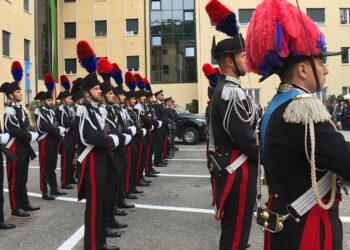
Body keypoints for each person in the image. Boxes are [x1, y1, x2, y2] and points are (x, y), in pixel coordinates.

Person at [245, 0, 350, 249]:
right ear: (303, 69)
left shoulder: (278, 104)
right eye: (321, 62)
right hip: (307, 227)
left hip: (287, 220)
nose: (326, 70)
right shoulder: (302, 108)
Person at [206, 1, 259, 249]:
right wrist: (270, 157)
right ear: (229, 61)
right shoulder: (229, 92)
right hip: (238, 170)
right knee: (236, 234)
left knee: (237, 232)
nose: (246, 61)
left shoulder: (231, 89)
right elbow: (245, 138)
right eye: (242, 55)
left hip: (237, 167)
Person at [76, 40, 120, 250]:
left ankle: (100, 242)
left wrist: (111, 137)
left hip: (103, 160)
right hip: (93, 161)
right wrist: (110, 140)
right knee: (94, 207)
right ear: (86, 93)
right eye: (95, 88)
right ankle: (92, 246)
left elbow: (106, 130)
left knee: (102, 204)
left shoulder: (96, 110)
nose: (99, 91)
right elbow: (88, 136)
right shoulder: (84, 111)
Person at [0, 61, 39, 217]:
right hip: (14, 147)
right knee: (15, 179)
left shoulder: (20, 108)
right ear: (11, 95)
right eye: (18, 92)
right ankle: (16, 207)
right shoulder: (9, 110)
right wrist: (29, 135)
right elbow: (14, 130)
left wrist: (31, 131)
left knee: (23, 177)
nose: (21, 94)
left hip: (23, 147)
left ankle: (25, 203)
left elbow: (25, 124)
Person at [35, 74, 67, 200]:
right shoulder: (39, 112)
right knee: (45, 167)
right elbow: (46, 126)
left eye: (50, 100)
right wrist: (58, 129)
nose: (50, 102)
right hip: (45, 142)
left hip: (53, 140)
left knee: (52, 166)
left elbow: (54, 123)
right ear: (43, 102)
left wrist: (58, 129)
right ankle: (45, 191)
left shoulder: (51, 111)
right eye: (48, 101)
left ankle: (54, 189)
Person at [56, 75, 76, 189]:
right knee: (65, 160)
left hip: (71, 137)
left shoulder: (68, 108)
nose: (70, 100)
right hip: (65, 137)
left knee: (70, 158)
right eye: (68, 98)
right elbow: (66, 121)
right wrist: (75, 123)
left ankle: (70, 177)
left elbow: (72, 119)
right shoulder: (60, 109)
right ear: (64, 99)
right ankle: (64, 181)